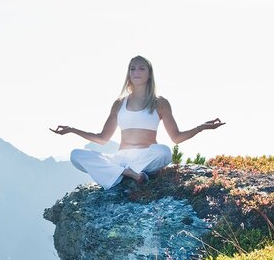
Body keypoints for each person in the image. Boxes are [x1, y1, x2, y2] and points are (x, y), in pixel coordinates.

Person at [50, 55, 224, 189]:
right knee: (76, 155)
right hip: (121, 158)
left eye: (141, 68)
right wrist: (72, 130)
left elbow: (176, 138)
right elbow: (102, 138)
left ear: (149, 74)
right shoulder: (119, 103)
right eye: (132, 69)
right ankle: (129, 173)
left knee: (164, 152)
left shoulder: (160, 103)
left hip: (145, 157)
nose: (136, 72)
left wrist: (201, 127)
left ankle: (122, 173)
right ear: (128, 74)